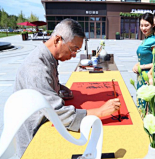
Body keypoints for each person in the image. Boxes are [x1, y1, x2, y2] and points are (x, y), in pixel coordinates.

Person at [13, 19, 120, 158]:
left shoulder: (47, 58)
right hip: (35, 138)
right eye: (73, 49)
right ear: (57, 40)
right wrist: (99, 111)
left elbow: (45, 89)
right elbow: (58, 114)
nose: (75, 54)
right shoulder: (36, 69)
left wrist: (59, 89)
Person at [132, 13, 155, 118]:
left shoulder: (154, 41)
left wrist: (141, 67)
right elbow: (143, 58)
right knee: (140, 102)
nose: (143, 28)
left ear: (153, 25)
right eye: (141, 25)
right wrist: (138, 64)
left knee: (147, 105)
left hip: (148, 75)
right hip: (140, 76)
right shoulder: (146, 39)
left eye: (146, 25)